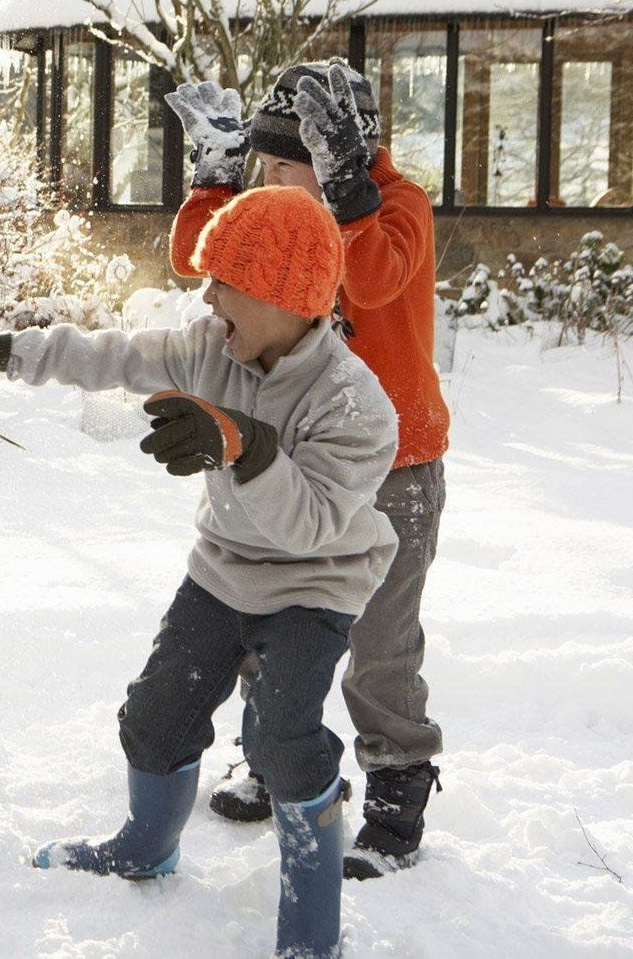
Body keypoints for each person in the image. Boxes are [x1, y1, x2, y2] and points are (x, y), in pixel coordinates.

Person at [0, 186, 398, 958]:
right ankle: (145, 846)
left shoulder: (356, 405)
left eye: (226, 281)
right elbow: (108, 353)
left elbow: (311, 526)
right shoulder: (212, 345)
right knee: (154, 718)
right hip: (223, 570)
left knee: (287, 741)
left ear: (287, 298)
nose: (207, 295)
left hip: (315, 587)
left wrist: (244, 444)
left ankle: (312, 935)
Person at [167, 62, 450, 879]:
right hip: (288, 461)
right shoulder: (280, 217)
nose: (277, 184)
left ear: (344, 154)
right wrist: (215, 181)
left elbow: (372, 276)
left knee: (381, 640)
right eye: (263, 166)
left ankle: (397, 787)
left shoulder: (396, 208)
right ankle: (269, 754)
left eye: (291, 165)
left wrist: (350, 191)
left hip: (396, 468)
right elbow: (200, 260)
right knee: (267, 610)